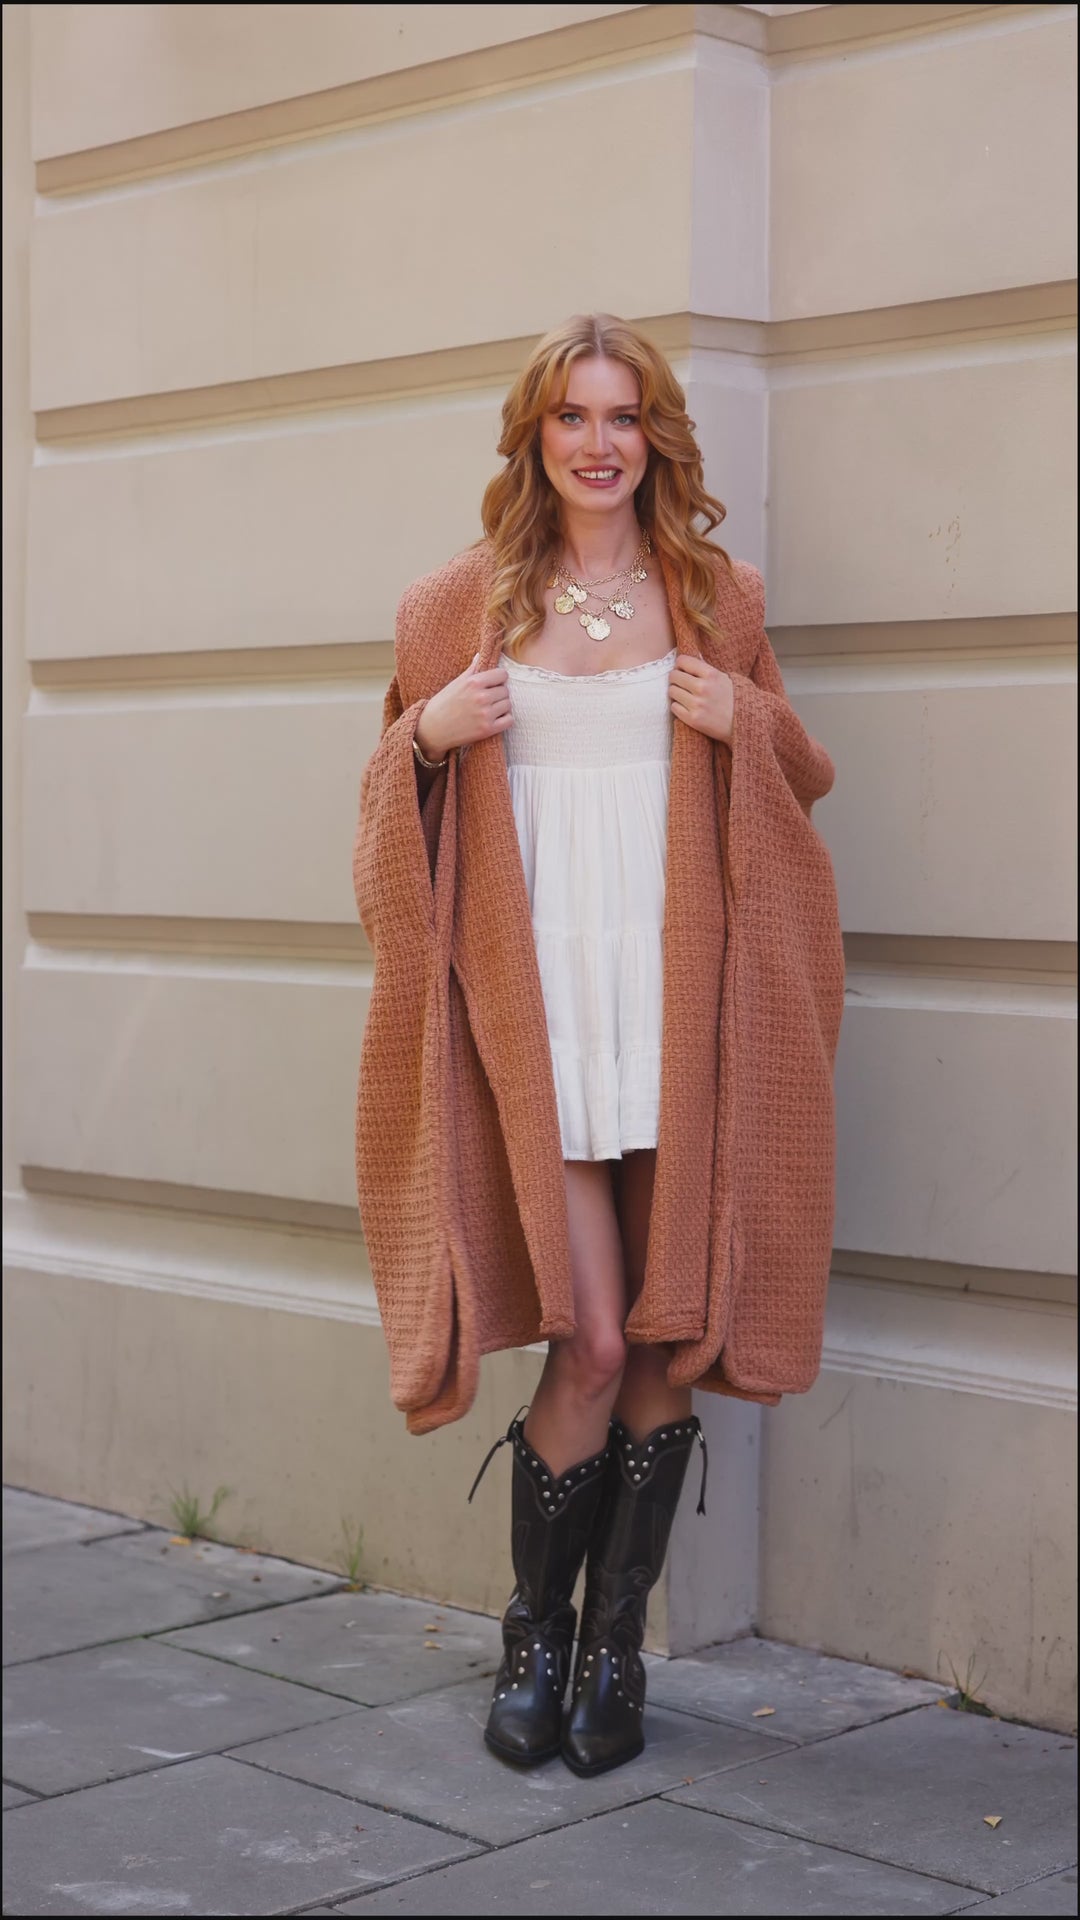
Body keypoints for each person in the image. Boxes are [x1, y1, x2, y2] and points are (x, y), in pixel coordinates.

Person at [353, 313, 844, 1780]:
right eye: (572, 416)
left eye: (624, 416)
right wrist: (426, 740)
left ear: (656, 439)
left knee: (667, 1332)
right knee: (597, 1334)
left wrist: (744, 716)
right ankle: (535, 1641)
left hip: (678, 1015)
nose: (599, 442)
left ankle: (614, 1653)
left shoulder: (717, 597)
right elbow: (382, 834)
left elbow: (805, 777)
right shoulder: (455, 607)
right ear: (535, 437)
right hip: (545, 1018)